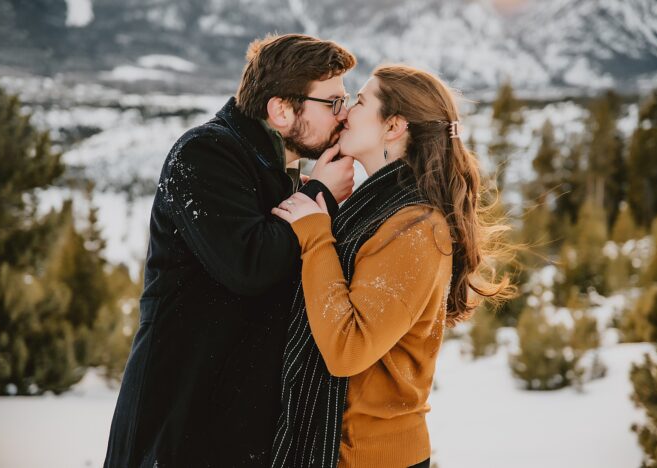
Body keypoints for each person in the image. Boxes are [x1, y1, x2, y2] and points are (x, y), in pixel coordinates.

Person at [105, 34, 358, 467]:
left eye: (346, 99)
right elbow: (249, 264)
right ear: (281, 109)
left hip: (238, 425)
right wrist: (323, 197)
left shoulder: (280, 171)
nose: (344, 113)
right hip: (181, 419)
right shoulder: (205, 153)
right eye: (332, 102)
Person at [270, 64, 515, 468]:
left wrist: (316, 236)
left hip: (373, 456)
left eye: (361, 101)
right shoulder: (378, 211)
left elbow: (347, 349)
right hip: (343, 449)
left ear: (394, 125)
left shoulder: (417, 229)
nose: (345, 112)